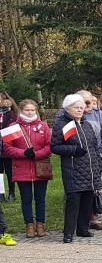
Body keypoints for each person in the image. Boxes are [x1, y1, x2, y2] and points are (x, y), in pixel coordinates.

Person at [51, 94, 102, 243]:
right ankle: (68, 233)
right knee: (73, 201)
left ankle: (83, 229)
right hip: (73, 169)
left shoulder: (87, 124)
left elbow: (94, 147)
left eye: (81, 107)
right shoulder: (61, 124)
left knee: (87, 200)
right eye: (76, 107)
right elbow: (55, 146)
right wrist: (73, 150)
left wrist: (98, 165)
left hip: (90, 169)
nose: (80, 110)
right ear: (68, 109)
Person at [3, 99, 52, 237]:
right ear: (21, 110)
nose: (30, 113)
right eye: (27, 110)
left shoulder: (43, 126)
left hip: (40, 167)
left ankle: (41, 224)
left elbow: (49, 146)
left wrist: (36, 154)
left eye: (32, 110)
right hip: (21, 167)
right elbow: (7, 148)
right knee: (26, 198)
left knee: (40, 198)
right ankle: (29, 224)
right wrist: (23, 153)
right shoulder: (13, 126)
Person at [78, 90, 102, 229]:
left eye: (90, 101)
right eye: (85, 102)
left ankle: (96, 219)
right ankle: (79, 220)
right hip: (78, 162)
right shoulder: (68, 115)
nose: (88, 105)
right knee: (78, 192)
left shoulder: (100, 116)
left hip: (97, 160)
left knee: (97, 190)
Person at [0, 92, 19, 202]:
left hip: (8, 148)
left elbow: (15, 131)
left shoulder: (12, 114)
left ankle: (12, 193)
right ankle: (1, 193)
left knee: (10, 172)